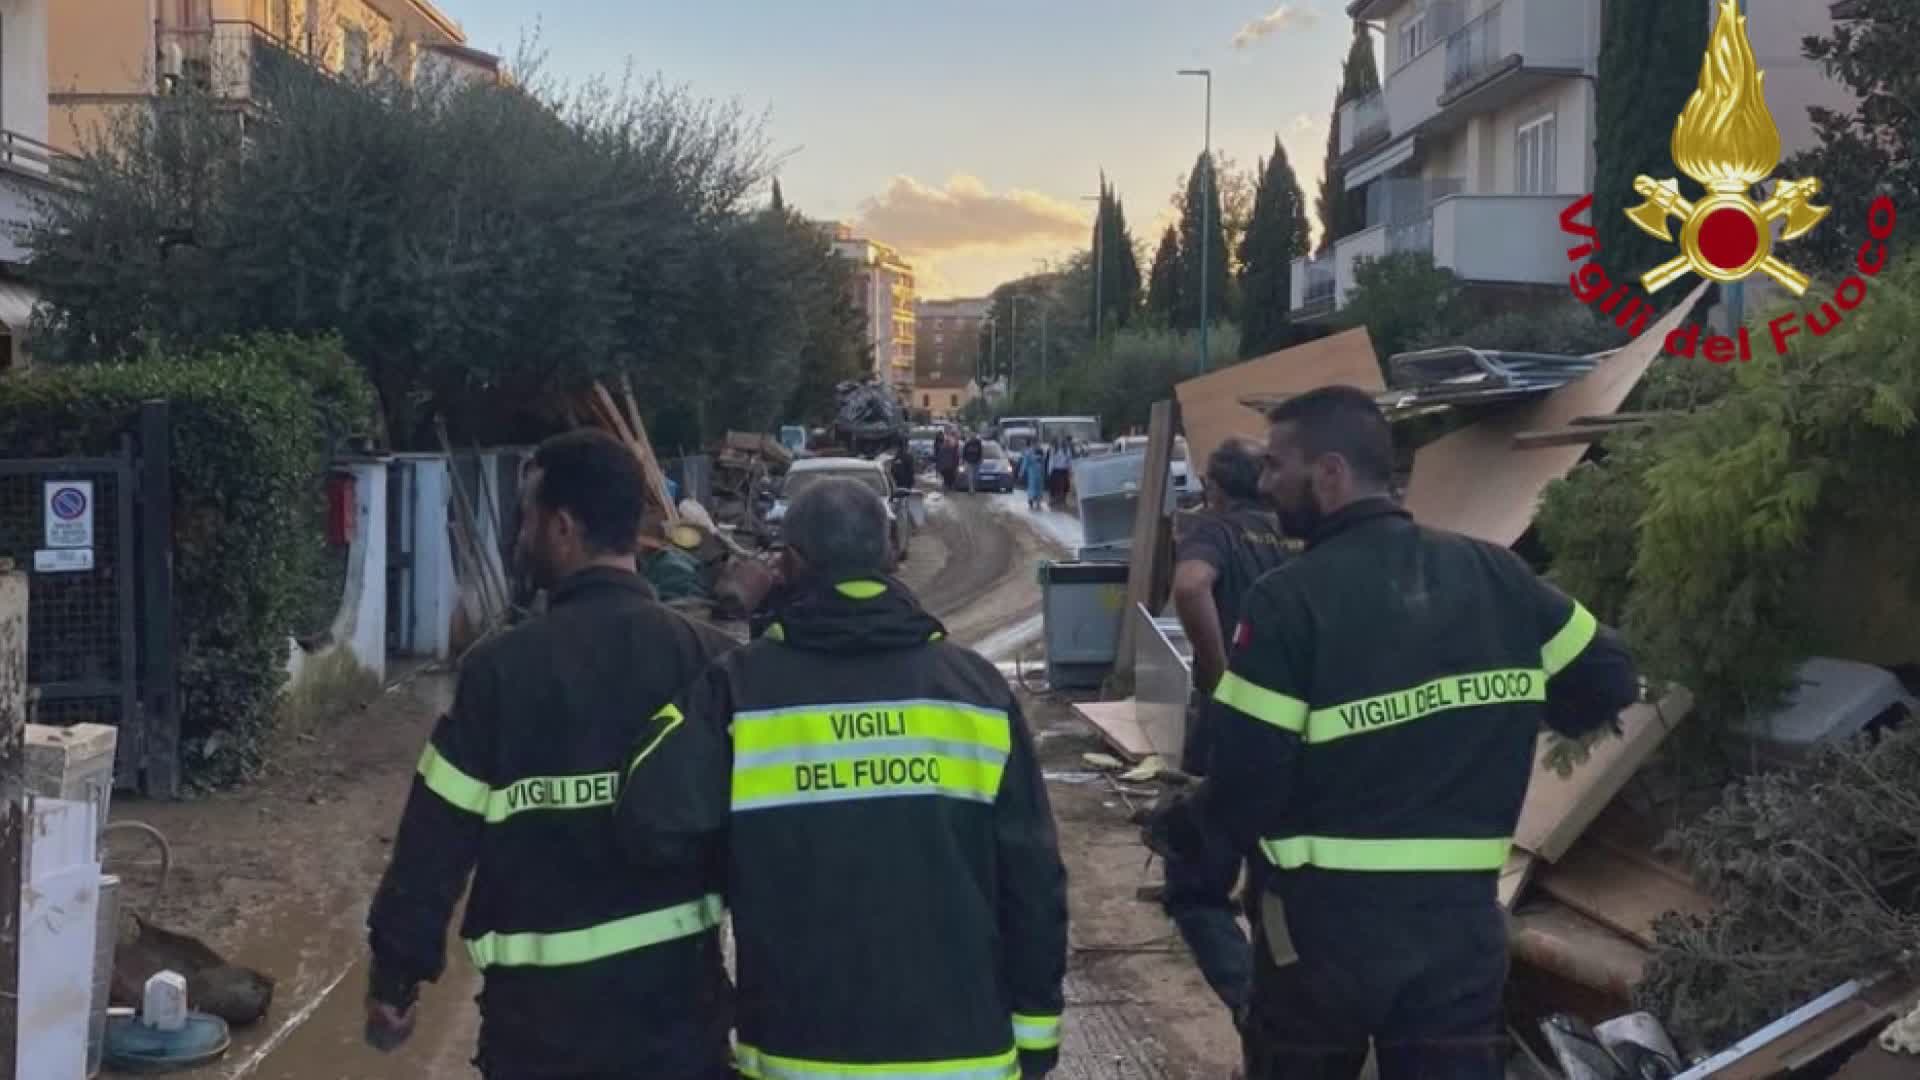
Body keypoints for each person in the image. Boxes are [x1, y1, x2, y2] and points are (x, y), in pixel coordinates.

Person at [1148, 386, 1638, 1080]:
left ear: (1330, 474)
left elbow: (1247, 782)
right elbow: (1610, 679)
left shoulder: (1288, 601)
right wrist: (1509, 717)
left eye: (1277, 466)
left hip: (1318, 944)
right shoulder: (1495, 573)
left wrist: (1186, 830)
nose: (1265, 484)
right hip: (1459, 933)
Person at [617, 477, 1069, 1080]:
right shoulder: (978, 692)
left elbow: (648, 816)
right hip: (964, 1058)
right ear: (889, 554)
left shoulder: (738, 691)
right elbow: (1033, 882)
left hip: (796, 1055)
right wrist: (1036, 1041)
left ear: (788, 565)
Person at [365, 429, 740, 1080]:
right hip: (679, 1029)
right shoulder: (707, 661)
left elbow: (435, 842)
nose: (521, 535)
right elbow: (760, 843)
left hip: (539, 1037)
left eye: (529, 517)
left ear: (563, 527)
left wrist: (396, 979)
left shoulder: (500, 673)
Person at [1160, 437, 1297, 1023]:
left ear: (1214, 488)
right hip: (1301, 729)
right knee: (1276, 876)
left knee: (1195, 883)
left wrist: (1221, 683)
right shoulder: (1298, 534)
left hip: (1233, 731)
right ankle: (1284, 1010)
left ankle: (1251, 1004)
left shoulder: (1215, 532)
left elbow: (1190, 587)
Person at [1045, 438, 1073, 507]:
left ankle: (1062, 501)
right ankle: (1055, 501)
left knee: (1064, 487)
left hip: (1062, 471)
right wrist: (1049, 471)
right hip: (1057, 471)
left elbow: (1069, 461)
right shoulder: (1055, 450)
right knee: (1057, 487)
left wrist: (1070, 470)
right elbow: (1051, 461)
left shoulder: (1066, 451)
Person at [1023, 441, 1048, 511]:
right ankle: (1031, 501)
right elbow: (1025, 463)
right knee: (1032, 488)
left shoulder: (1041, 453)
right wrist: (1022, 472)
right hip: (1032, 474)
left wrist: (1044, 472)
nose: (1036, 446)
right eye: (1035, 445)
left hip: (1039, 474)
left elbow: (1043, 463)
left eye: (1038, 445)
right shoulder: (1028, 453)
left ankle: (1038, 502)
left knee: (1039, 488)